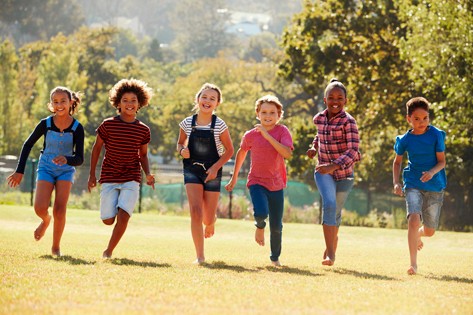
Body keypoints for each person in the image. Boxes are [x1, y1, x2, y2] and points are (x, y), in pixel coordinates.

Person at [7, 86, 84, 257]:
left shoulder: (77, 128)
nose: (59, 105)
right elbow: (27, 145)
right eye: (55, 102)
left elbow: (79, 158)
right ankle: (45, 220)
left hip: (65, 170)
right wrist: (19, 171)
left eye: (63, 101)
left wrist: (67, 159)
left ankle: (56, 247)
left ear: (70, 102)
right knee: (40, 208)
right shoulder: (45, 124)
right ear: (51, 104)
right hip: (46, 167)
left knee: (60, 209)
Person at [88, 78, 156, 259]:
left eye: (133, 100)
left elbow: (142, 155)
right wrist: (92, 175)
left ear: (140, 103)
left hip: (131, 177)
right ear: (118, 103)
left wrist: (148, 174)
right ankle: (117, 209)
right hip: (109, 176)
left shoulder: (143, 130)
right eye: (125, 100)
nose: (129, 104)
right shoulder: (107, 125)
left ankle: (108, 251)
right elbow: (96, 150)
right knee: (108, 220)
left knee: (124, 216)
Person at [225, 95, 293, 267]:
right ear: (258, 114)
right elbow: (241, 153)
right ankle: (260, 226)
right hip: (256, 181)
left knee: (277, 226)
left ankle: (274, 258)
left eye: (272, 112)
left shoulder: (282, 131)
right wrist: (234, 178)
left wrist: (267, 135)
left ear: (279, 115)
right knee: (261, 212)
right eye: (264, 112)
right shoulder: (251, 135)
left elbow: (287, 153)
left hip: (276, 184)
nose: (268, 116)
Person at [177, 83, 234, 264]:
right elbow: (180, 144)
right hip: (192, 170)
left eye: (212, 98)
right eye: (204, 97)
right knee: (195, 211)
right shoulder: (187, 123)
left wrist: (216, 168)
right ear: (198, 99)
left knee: (207, 218)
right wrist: (181, 151)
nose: (207, 101)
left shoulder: (219, 125)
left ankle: (211, 221)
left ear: (217, 103)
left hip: (213, 170)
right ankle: (200, 256)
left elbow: (230, 150)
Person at [306, 78, 361, 266]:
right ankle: (331, 254)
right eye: (331, 97)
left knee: (336, 212)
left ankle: (331, 244)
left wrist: (333, 166)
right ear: (325, 99)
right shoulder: (319, 118)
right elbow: (319, 135)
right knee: (329, 205)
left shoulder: (349, 122)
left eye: (339, 98)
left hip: (345, 174)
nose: (335, 101)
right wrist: (314, 147)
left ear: (345, 100)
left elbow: (353, 151)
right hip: (323, 171)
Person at [392, 97, 446, 275]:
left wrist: (431, 172)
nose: (422, 122)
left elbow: (442, 162)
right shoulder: (405, 139)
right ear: (409, 119)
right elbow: (397, 162)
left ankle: (419, 235)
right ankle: (413, 264)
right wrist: (396, 182)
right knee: (413, 220)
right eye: (417, 119)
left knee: (430, 231)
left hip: (435, 185)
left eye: (425, 118)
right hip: (413, 182)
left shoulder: (436, 135)